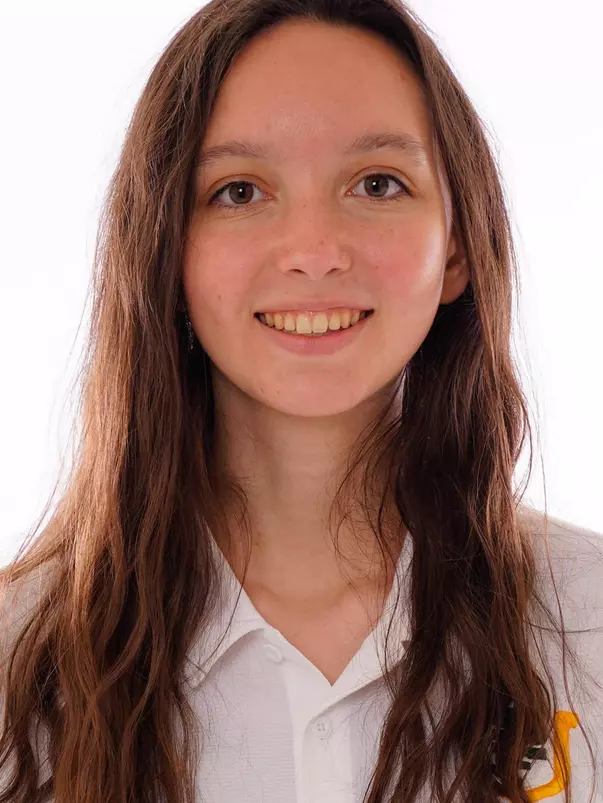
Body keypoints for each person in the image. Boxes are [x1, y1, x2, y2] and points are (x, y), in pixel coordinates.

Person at [1, 0, 602, 801]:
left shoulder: (588, 624)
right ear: (166, 251)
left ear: (455, 244)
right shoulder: (18, 663)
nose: (314, 252)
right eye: (240, 191)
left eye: (377, 183)